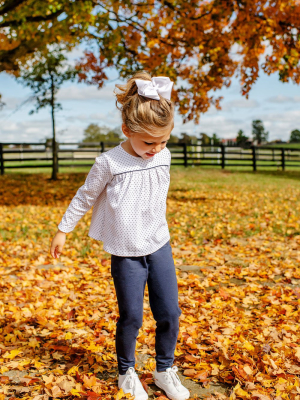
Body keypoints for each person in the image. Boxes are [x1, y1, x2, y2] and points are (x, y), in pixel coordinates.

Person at [50, 72, 190, 400]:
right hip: (126, 252)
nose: (156, 149)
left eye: (163, 141)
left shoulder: (164, 156)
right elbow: (85, 196)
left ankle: (163, 369)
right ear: (127, 130)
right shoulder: (109, 162)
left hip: (159, 245)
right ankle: (126, 372)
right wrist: (63, 229)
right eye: (148, 142)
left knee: (170, 311)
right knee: (132, 316)